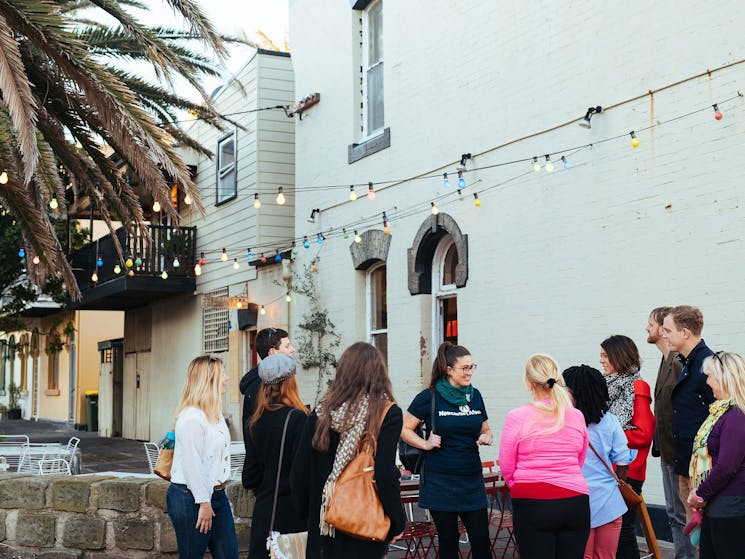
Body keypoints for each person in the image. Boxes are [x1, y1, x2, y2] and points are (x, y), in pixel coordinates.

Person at [290, 342, 405, 559]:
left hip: (323, 527)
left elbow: (299, 472)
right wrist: (396, 522)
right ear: (379, 374)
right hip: (363, 527)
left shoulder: (321, 412)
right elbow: (384, 474)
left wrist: (311, 513)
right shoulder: (385, 414)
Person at [400, 342, 493, 559]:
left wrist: (487, 436)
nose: (469, 372)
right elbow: (404, 428)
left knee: (481, 541)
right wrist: (425, 443)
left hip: (471, 480)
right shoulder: (429, 397)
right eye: (465, 368)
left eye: (472, 367)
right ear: (449, 369)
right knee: (449, 541)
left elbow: (486, 428)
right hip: (440, 482)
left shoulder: (475, 395)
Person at [499, 354, 590, 559]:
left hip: (532, 501)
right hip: (574, 500)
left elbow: (506, 464)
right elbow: (580, 458)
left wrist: (519, 484)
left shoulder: (517, 416)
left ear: (528, 382)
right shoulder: (576, 415)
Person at [167, 356, 238, 559]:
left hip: (217, 495)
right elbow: (192, 467)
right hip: (190, 498)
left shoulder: (215, 415)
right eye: (222, 373)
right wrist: (204, 503)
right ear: (209, 379)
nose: (227, 377)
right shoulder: (191, 418)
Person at [242, 353, 309, 559]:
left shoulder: (255, 420)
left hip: (264, 512)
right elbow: (304, 473)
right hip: (290, 513)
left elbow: (250, 476)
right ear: (290, 382)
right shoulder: (298, 418)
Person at [563, 364, 633, 559]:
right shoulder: (610, 421)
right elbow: (623, 462)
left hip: (575, 501)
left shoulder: (563, 423)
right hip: (609, 502)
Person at [599, 334, 655, 559]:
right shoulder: (607, 386)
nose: (601, 360)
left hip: (628, 471)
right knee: (614, 531)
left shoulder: (637, 386)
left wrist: (608, 436)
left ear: (617, 356)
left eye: (605, 356)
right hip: (611, 470)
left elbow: (643, 434)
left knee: (622, 531)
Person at [647, 306, 696, 559]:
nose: (648, 328)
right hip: (667, 451)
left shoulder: (678, 364)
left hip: (678, 454)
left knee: (681, 513)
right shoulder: (665, 362)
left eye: (652, 324)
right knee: (674, 513)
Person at [687, 351, 745, 559]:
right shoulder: (723, 414)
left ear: (724, 379)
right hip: (720, 505)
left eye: (710, 376)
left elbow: (727, 467)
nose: (708, 382)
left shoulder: (736, 417)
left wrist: (700, 494)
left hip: (731, 508)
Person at [662, 305, 715, 522]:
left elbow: (720, 415)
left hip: (703, 470)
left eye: (668, 330)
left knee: (705, 537)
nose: (664, 335)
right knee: (697, 537)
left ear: (685, 332)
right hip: (688, 464)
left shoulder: (707, 365)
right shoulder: (688, 363)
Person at [239, 327, 296, 442]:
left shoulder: (273, 382)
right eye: (287, 346)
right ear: (272, 352)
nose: (292, 349)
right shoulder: (262, 386)